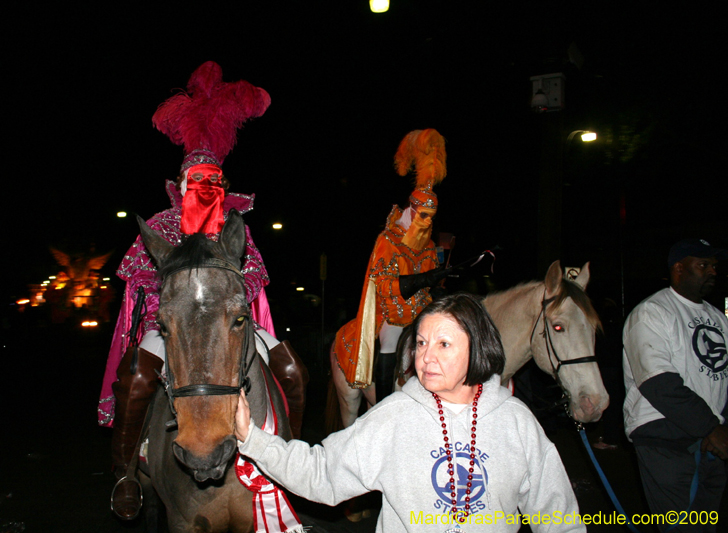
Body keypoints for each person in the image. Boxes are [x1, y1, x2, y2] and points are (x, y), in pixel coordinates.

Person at [98, 61, 308, 520]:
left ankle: (294, 451)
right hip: (174, 324)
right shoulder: (160, 225)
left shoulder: (237, 229)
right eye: (198, 180)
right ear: (183, 184)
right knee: (136, 377)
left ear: (223, 184)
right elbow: (140, 283)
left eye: (213, 180)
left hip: (228, 325)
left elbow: (253, 285)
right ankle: (125, 472)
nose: (206, 187)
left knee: (291, 368)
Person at [236, 292, 583, 532]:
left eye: (443, 344)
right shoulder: (396, 415)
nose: (425, 357)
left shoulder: (516, 421)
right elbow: (321, 473)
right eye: (420, 343)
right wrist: (252, 437)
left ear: (478, 347)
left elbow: (558, 516)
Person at [335, 129, 456, 404]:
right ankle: (385, 403)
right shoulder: (388, 240)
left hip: (420, 308)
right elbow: (384, 284)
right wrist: (424, 279)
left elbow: (430, 282)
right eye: (422, 215)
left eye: (431, 216)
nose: (427, 221)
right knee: (390, 339)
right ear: (411, 210)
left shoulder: (427, 244)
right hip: (392, 311)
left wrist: (439, 283)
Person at [623, 238, 728, 531]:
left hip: (709, 440)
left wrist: (719, 427)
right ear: (678, 269)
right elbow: (658, 382)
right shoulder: (652, 312)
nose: (712, 272)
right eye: (703, 265)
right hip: (665, 438)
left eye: (715, 266)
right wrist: (711, 427)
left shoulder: (717, 317)